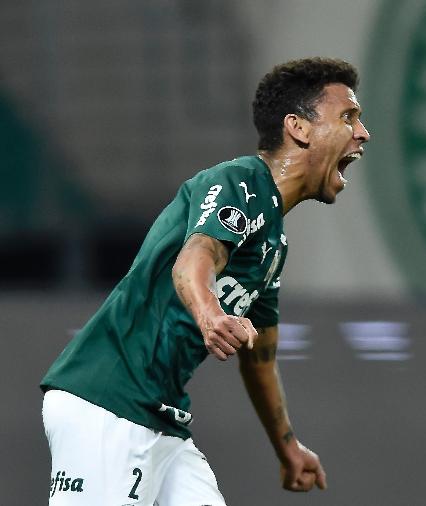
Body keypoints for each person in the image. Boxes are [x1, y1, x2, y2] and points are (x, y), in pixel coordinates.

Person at [40, 57, 370, 505]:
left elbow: (260, 358)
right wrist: (211, 316)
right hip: (107, 400)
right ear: (299, 128)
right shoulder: (240, 183)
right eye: (347, 117)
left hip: (161, 419)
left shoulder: (272, 242)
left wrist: (286, 444)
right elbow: (193, 260)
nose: (362, 132)